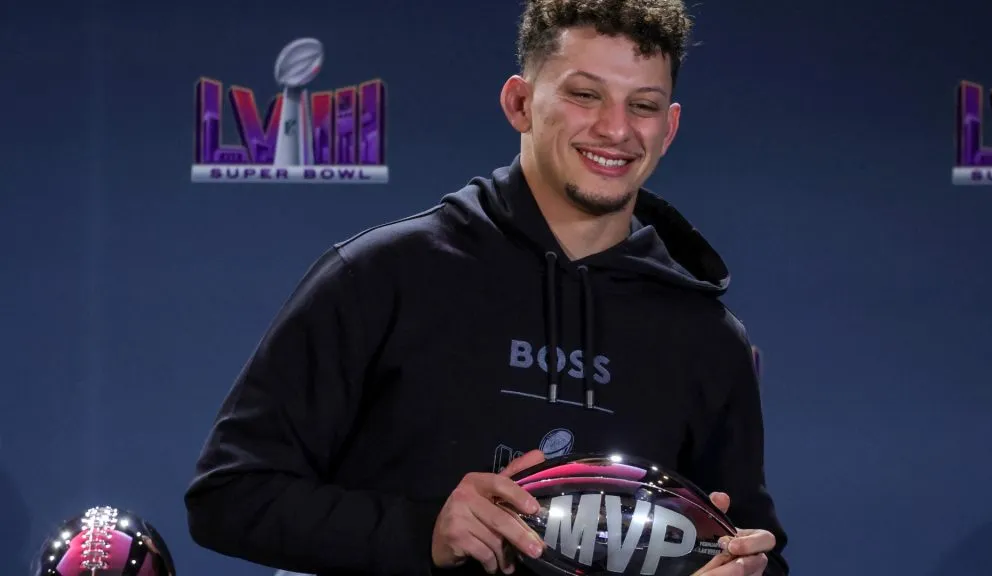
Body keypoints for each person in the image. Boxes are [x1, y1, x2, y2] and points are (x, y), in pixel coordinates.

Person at [184, 1, 788, 575]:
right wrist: (424, 532)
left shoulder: (706, 337)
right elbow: (228, 495)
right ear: (520, 102)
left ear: (670, 127)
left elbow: (756, 551)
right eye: (584, 95)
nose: (616, 129)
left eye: (645, 105)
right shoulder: (380, 276)